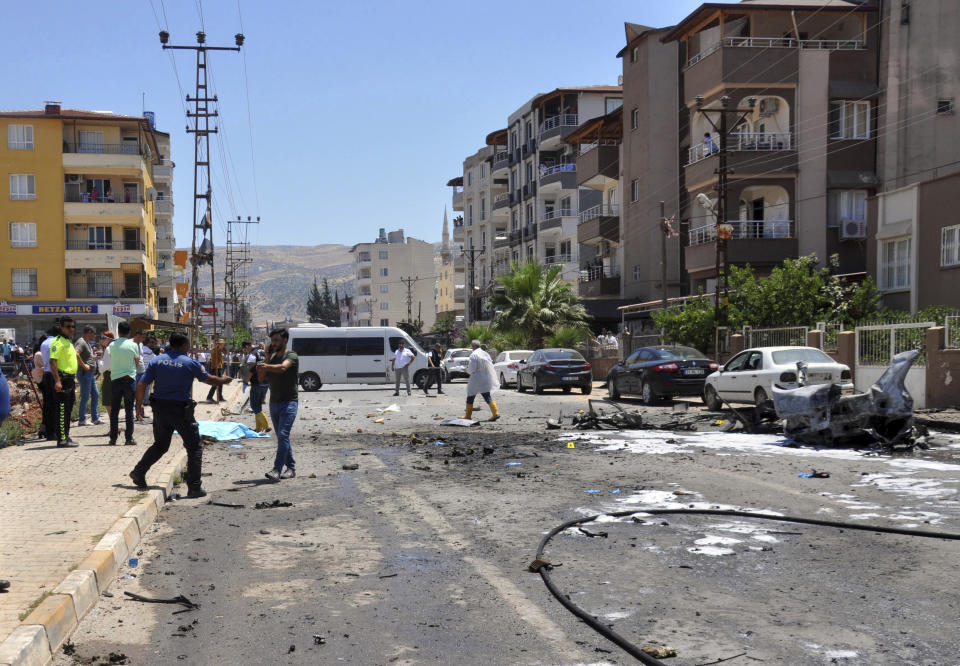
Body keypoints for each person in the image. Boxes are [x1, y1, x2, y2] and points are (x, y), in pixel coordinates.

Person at [128, 332, 233, 499]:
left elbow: (141, 384)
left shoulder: (157, 360)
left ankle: (139, 471)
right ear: (184, 345)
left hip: (160, 410)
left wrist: (138, 405)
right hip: (180, 411)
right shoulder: (189, 362)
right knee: (194, 447)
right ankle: (194, 487)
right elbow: (208, 379)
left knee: (161, 445)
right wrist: (223, 381)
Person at [256, 328, 298, 482]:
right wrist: (267, 359)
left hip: (289, 403)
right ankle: (291, 468)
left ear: (285, 340)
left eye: (276, 340)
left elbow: (283, 368)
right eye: (272, 340)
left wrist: (266, 366)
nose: (273, 343)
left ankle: (276, 469)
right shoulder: (271, 357)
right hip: (274, 403)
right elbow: (261, 378)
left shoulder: (291, 355)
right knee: (282, 438)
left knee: (283, 435)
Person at [48, 316, 82, 447]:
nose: (71, 329)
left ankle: (66, 436)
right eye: (68, 326)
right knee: (62, 410)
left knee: (67, 410)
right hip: (62, 379)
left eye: (73, 326)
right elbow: (52, 362)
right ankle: (61, 439)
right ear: (61, 327)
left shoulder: (68, 341)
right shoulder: (58, 342)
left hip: (69, 380)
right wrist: (57, 380)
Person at [108, 321, 140, 446]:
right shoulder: (133, 345)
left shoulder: (112, 345)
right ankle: (129, 438)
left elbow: (112, 359)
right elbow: (136, 362)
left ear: (118, 332)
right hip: (129, 379)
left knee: (114, 411)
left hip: (115, 379)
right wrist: (132, 371)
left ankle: (113, 438)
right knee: (129, 410)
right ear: (129, 332)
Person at [463, 339, 500, 422]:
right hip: (485, 378)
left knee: (470, 396)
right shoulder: (485, 354)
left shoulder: (473, 355)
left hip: (476, 379)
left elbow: (472, 369)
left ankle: (468, 416)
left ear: (472, 346)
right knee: (487, 396)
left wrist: (466, 370)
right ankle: (495, 413)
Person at [75, 325, 101, 426]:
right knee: (85, 396)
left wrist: (92, 358)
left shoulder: (87, 343)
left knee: (95, 394)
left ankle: (95, 418)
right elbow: (76, 353)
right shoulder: (81, 342)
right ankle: (82, 420)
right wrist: (84, 365)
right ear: (89, 332)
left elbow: (85, 356)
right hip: (85, 373)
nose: (95, 336)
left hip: (90, 374)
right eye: (94, 333)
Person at [38, 326, 58, 440]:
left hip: (46, 374)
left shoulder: (44, 343)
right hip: (53, 374)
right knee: (56, 404)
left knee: (48, 404)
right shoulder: (55, 342)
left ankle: (48, 431)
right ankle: (54, 431)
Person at [247, 342, 270, 433]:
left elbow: (251, 367)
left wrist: (246, 381)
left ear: (247, 347)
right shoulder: (264, 353)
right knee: (258, 406)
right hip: (265, 383)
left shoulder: (253, 354)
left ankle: (266, 426)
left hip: (256, 383)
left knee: (254, 406)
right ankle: (258, 428)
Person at [205, 339, 226, 403]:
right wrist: (216, 367)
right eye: (222, 344)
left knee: (220, 383)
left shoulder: (219, 350)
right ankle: (209, 397)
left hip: (219, 367)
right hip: (215, 368)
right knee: (216, 383)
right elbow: (215, 360)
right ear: (219, 344)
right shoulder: (215, 349)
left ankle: (220, 397)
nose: (223, 345)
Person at [99, 331, 114, 409]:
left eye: (103, 338)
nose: (101, 340)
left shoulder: (108, 348)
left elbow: (104, 367)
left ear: (109, 339)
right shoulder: (112, 347)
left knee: (107, 401)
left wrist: (99, 361)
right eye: (100, 338)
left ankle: (112, 420)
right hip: (117, 374)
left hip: (109, 375)